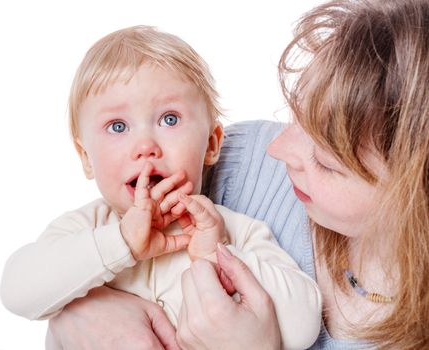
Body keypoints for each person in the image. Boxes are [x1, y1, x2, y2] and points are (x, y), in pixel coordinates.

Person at [45, 0, 429, 349]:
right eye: (298, 115)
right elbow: (50, 283)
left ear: (413, 192)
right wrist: (82, 311)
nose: (278, 150)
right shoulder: (239, 164)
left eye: (326, 161)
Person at [0, 26, 322, 350]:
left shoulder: (233, 232)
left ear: (211, 144)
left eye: (169, 119)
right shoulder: (87, 229)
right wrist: (121, 241)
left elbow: (302, 327)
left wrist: (215, 254)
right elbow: (16, 292)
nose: (145, 146)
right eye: (118, 126)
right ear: (86, 158)